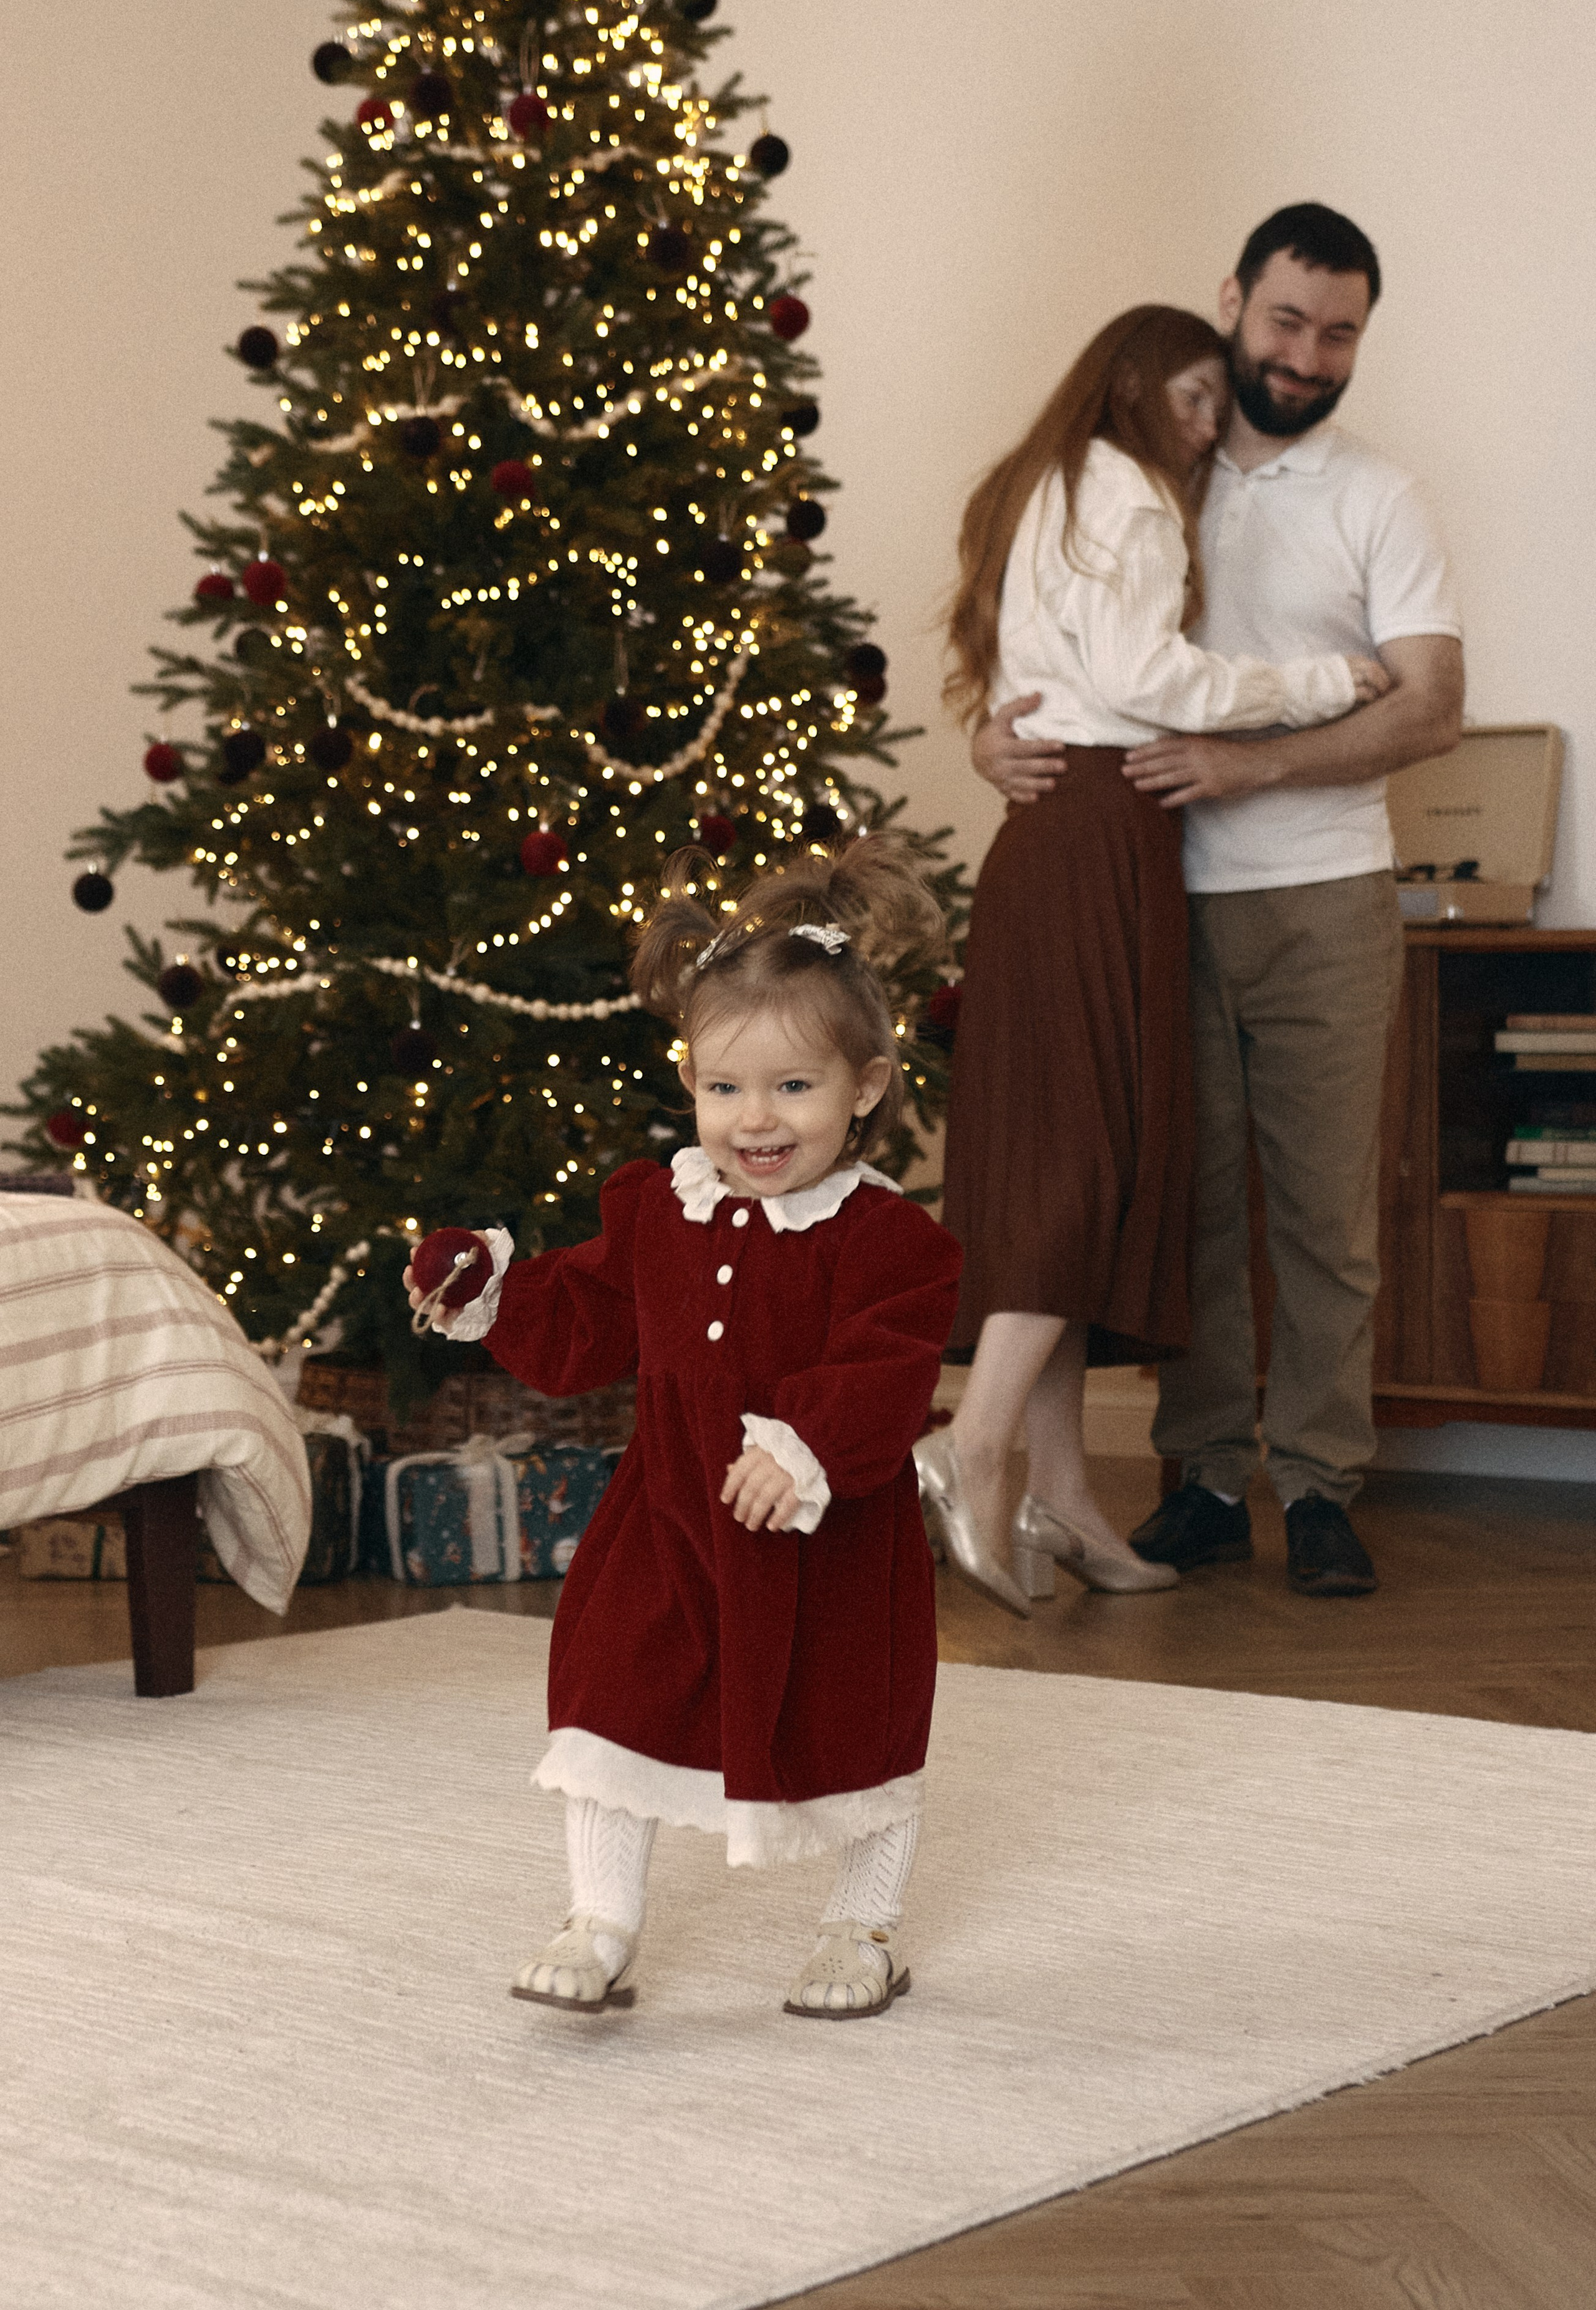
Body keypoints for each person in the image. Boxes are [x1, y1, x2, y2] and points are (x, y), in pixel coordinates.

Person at [973, 205, 1464, 1597]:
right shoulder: (1146, 476)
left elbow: (1429, 707)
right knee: (1177, 1208)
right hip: (1152, 898)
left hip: (1320, 896)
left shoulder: (1378, 495)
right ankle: (1197, 1479)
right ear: (1232, 305)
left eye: (1337, 333)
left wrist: (1246, 764)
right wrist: (991, 741)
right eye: (1284, 322)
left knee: (1321, 1214)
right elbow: (1063, 660)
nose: (1306, 355)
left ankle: (1315, 1487)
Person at [406, 835, 961, 2020]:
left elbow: (889, 1361)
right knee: (613, 1693)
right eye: (724, 1088)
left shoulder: (888, 1240)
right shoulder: (666, 1206)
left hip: (824, 1541)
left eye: (792, 1088)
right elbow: (594, 1306)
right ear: (693, 1083)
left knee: (849, 1719)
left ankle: (861, 1924)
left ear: (865, 1086)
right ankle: (601, 1917)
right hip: (666, 1514)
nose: (754, 1119)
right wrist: (492, 1289)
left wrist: (799, 1442)